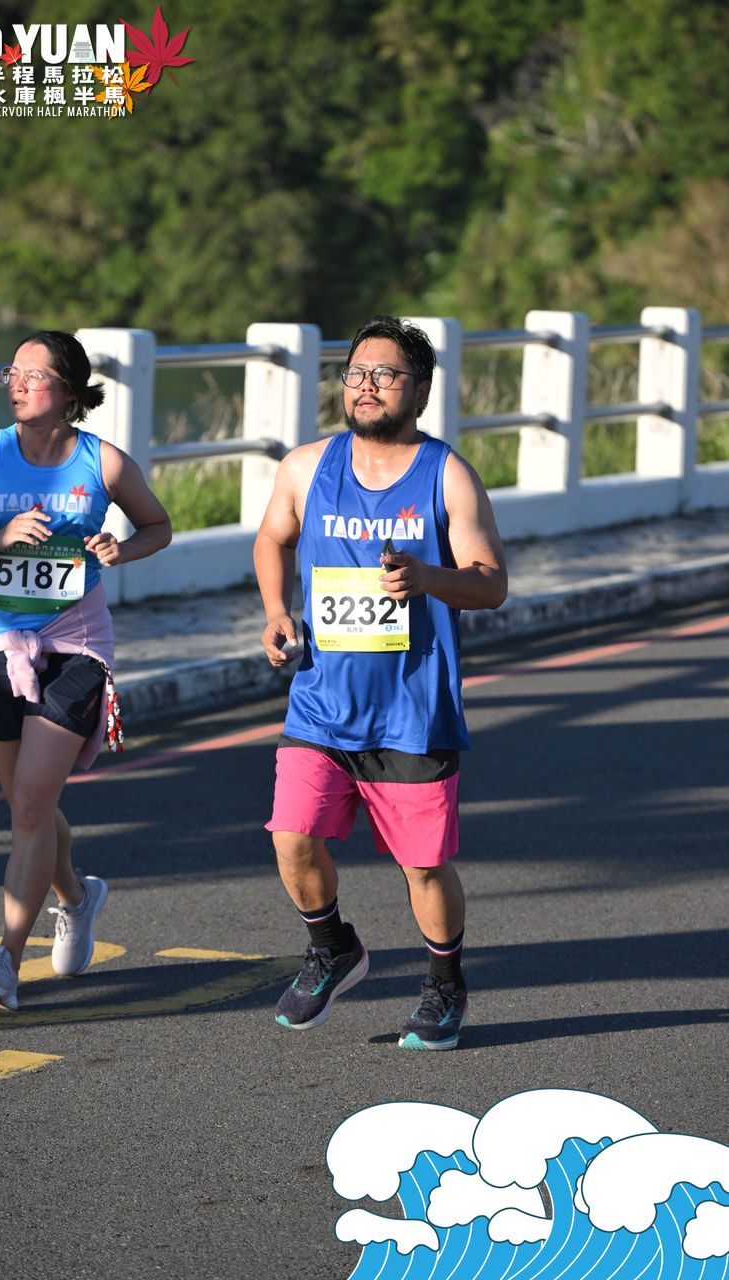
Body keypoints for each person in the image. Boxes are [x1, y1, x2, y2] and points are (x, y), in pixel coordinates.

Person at [253, 315, 507, 1049]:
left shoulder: (446, 474)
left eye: (385, 375)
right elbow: (272, 537)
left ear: (419, 391)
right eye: (356, 374)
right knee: (292, 837)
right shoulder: (306, 467)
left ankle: (444, 986)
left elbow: (491, 583)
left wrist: (429, 577)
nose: (366, 387)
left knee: (423, 866)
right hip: (321, 702)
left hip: (413, 710)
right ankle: (332, 947)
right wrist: (275, 610)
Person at [0, 329, 171, 1011]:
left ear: (69, 390)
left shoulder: (103, 462)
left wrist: (121, 548)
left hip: (76, 644)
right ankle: (77, 895)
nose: (16, 384)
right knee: (25, 807)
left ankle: (5, 961)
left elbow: (158, 527)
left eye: (33, 375)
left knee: (32, 805)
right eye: (12, 372)